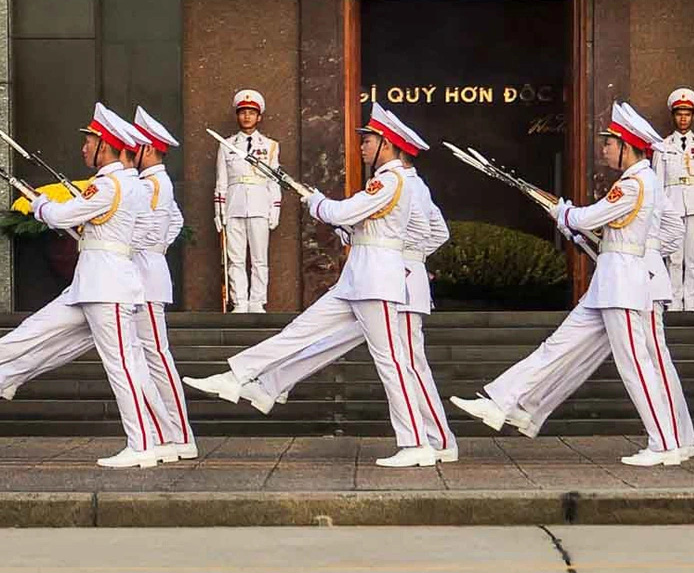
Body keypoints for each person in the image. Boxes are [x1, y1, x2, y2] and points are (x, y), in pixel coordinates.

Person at [185, 104, 453, 465]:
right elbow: (367, 222)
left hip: (378, 281)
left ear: (386, 144)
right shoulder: (394, 183)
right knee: (301, 330)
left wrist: (317, 202)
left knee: (393, 363)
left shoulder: (392, 180)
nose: (362, 146)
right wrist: (355, 227)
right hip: (358, 278)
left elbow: (342, 212)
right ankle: (239, 375)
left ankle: (416, 443)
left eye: (369, 140)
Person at [0, 103, 173, 467]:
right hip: (93, 283)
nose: (84, 148)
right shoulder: (124, 185)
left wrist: (41, 204)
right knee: (35, 331)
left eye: (90, 142)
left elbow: (62, 215)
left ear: (106, 146)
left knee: (124, 367)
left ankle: (145, 444)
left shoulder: (110, 186)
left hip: (109, 288)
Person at [452, 101, 694, 468]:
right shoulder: (646, 182)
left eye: (610, 143)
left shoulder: (632, 186)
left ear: (627, 145)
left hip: (624, 288)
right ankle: (505, 402)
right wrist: (590, 229)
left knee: (637, 366)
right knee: (559, 346)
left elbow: (588, 217)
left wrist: (564, 213)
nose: (605, 149)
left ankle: (665, 443)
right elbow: (633, 229)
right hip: (613, 283)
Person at [125, 106, 196, 466]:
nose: (128, 152)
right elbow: (176, 220)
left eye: (134, 146)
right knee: (149, 357)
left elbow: (149, 228)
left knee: (156, 357)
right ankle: (170, 434)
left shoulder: (151, 183)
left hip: (145, 274)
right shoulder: (156, 184)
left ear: (147, 150)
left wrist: (151, 248)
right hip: (144, 269)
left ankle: (179, 435)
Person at [215, 89, 282, 312]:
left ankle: (257, 301)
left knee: (259, 258)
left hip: (259, 204)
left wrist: (275, 208)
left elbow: (274, 180)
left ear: (259, 117)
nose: (247, 117)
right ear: (237, 115)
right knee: (235, 258)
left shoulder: (270, 145)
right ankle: (240, 302)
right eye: (243, 112)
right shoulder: (226, 144)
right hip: (234, 205)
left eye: (251, 113)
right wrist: (219, 211)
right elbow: (221, 180)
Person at [656, 88, 694, 312]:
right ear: (673, 115)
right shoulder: (662, 146)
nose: (683, 118)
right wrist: (659, 213)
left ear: (693, 116)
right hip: (671, 207)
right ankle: (672, 305)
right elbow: (658, 184)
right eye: (679, 113)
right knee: (673, 259)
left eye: (687, 114)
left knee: (692, 261)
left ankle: (691, 306)